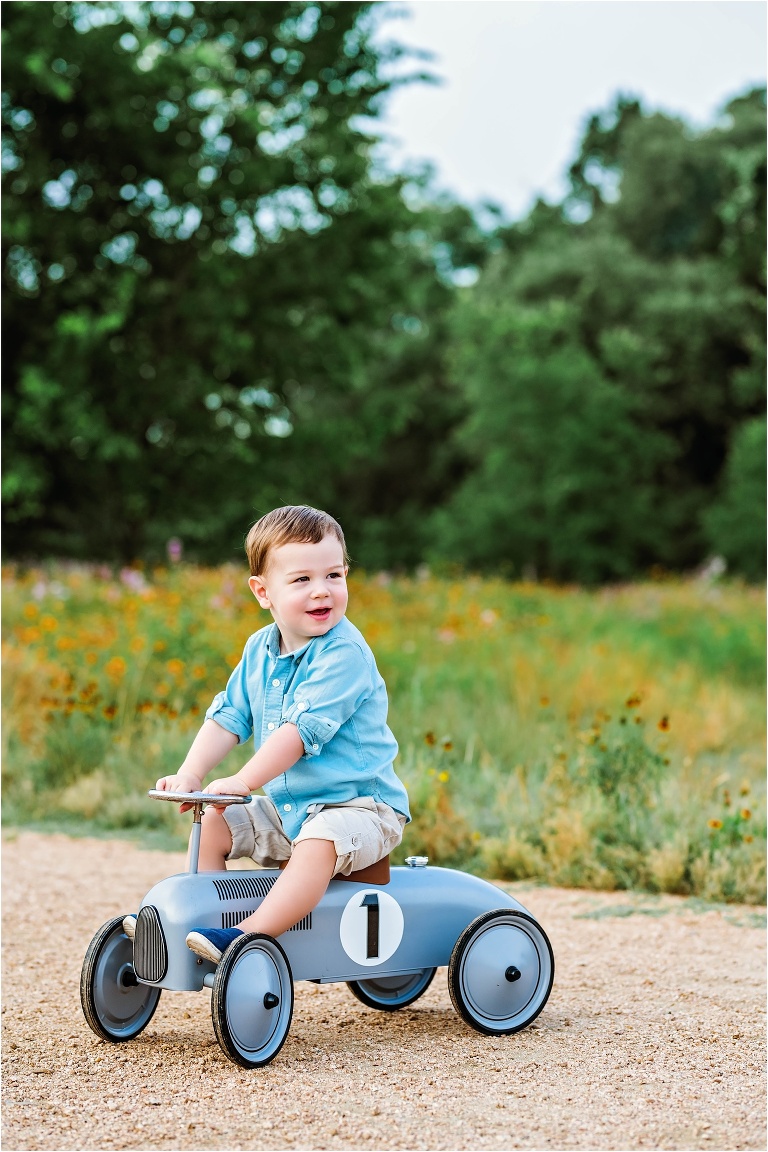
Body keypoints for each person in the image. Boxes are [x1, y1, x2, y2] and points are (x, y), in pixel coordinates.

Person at [126, 505, 410, 965]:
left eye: (334, 575)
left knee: (321, 838)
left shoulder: (345, 654)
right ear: (263, 592)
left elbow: (298, 734)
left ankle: (245, 936)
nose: (322, 591)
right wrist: (190, 772)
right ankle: (202, 920)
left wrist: (243, 780)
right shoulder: (260, 648)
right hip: (291, 809)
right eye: (301, 580)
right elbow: (229, 716)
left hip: (360, 808)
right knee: (216, 821)